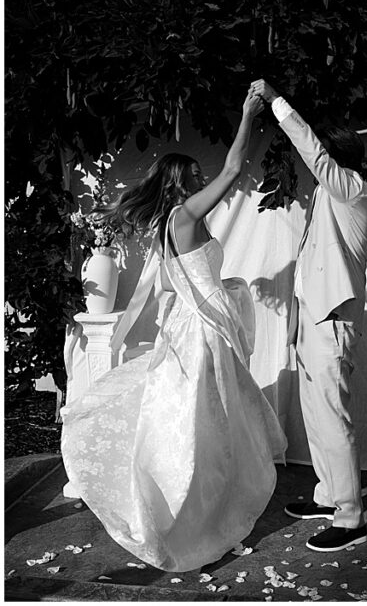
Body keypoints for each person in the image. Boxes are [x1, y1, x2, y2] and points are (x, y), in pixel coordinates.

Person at [61, 91, 287, 572]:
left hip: (194, 326)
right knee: (202, 422)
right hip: (201, 333)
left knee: (203, 420)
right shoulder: (184, 216)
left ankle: (206, 502)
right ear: (180, 182)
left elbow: (178, 282)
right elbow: (231, 171)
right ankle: (193, 515)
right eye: (195, 177)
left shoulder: (167, 223)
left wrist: (225, 287)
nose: (204, 180)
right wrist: (247, 114)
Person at [251, 79, 367, 553]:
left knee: (334, 420)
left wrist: (277, 102)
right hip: (313, 324)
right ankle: (329, 496)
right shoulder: (329, 197)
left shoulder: (352, 190)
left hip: (333, 325)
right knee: (318, 419)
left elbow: (313, 153)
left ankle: (350, 518)